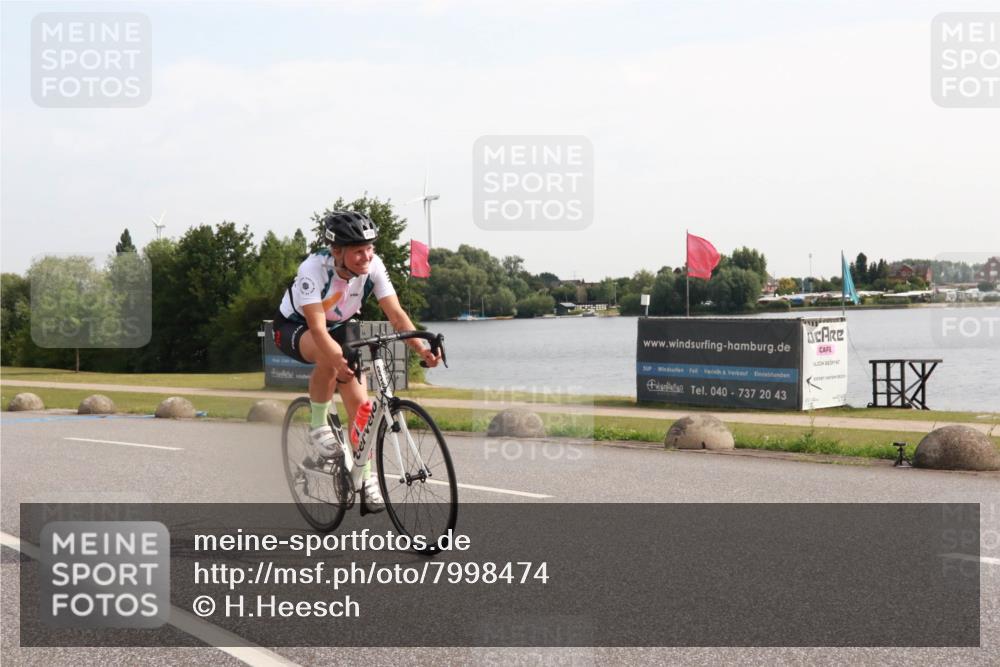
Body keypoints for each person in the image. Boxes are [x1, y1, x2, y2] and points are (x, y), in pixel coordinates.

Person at [272, 210, 441, 513]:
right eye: (358, 251)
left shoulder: (373, 265)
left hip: (340, 325)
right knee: (330, 355)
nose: (367, 256)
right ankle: (317, 425)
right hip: (295, 326)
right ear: (337, 251)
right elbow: (317, 329)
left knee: (362, 409)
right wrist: (337, 359)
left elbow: (396, 314)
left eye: (370, 248)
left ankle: (366, 477)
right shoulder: (312, 268)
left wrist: (421, 348)